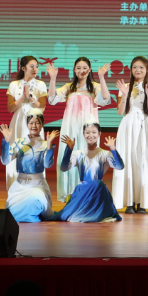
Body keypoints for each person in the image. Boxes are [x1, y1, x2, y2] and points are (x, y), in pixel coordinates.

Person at [46, 57, 112, 201]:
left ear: (90, 70)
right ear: (74, 70)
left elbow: (105, 99)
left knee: (89, 159)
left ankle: (88, 194)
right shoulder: (69, 87)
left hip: (88, 130)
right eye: (78, 68)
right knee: (70, 157)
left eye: (84, 68)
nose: (81, 71)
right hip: (71, 127)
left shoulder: (95, 87)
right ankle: (70, 194)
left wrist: (101, 77)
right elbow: (52, 99)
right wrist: (53, 78)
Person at [112, 56, 148, 214]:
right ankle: (129, 202)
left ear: (147, 70)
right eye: (135, 67)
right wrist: (125, 94)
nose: (138, 70)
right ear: (131, 69)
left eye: (141, 67)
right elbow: (120, 112)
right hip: (127, 126)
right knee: (128, 160)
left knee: (143, 161)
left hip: (144, 125)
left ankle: (143, 202)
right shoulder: (125, 87)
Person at [52, 122, 123, 223]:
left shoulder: (105, 153)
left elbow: (120, 166)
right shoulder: (78, 154)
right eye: (87, 132)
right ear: (83, 134)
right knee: (65, 216)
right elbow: (64, 168)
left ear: (99, 134)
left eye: (94, 132)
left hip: (98, 191)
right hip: (82, 191)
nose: (90, 135)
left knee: (98, 183)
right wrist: (69, 150)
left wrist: (113, 149)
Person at [0, 110, 58, 222]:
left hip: (38, 186)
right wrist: (5, 142)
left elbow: (48, 164)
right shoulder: (19, 143)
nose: (34, 126)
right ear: (27, 124)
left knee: (35, 198)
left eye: (37, 122)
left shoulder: (45, 144)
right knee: (11, 213)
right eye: (31, 123)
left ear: (42, 125)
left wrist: (50, 145)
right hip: (19, 186)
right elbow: (5, 160)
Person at [5, 55, 48, 189]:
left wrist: (30, 97)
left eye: (36, 67)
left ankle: (36, 186)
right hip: (18, 121)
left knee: (35, 150)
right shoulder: (14, 85)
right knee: (16, 151)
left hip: (35, 121)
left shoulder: (40, 84)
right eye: (31, 66)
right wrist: (22, 97)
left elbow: (42, 107)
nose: (35, 69)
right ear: (23, 68)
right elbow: (10, 108)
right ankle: (15, 187)